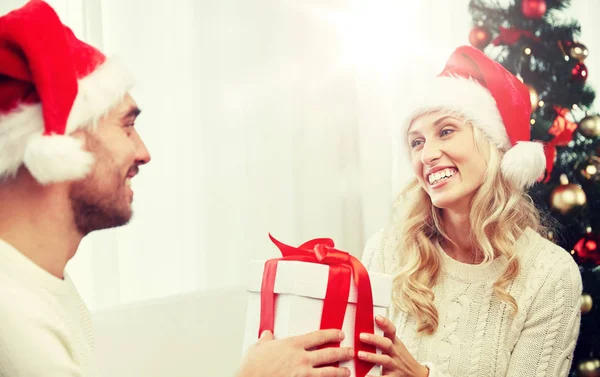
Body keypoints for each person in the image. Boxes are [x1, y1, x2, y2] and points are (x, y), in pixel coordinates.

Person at [0, 1, 351, 376]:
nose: (144, 152)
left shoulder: (42, 287)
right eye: (127, 126)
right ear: (61, 142)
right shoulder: (14, 319)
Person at [357, 45, 582, 377]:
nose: (427, 154)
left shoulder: (550, 275)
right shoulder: (386, 251)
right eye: (416, 142)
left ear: (493, 143)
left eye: (446, 131)